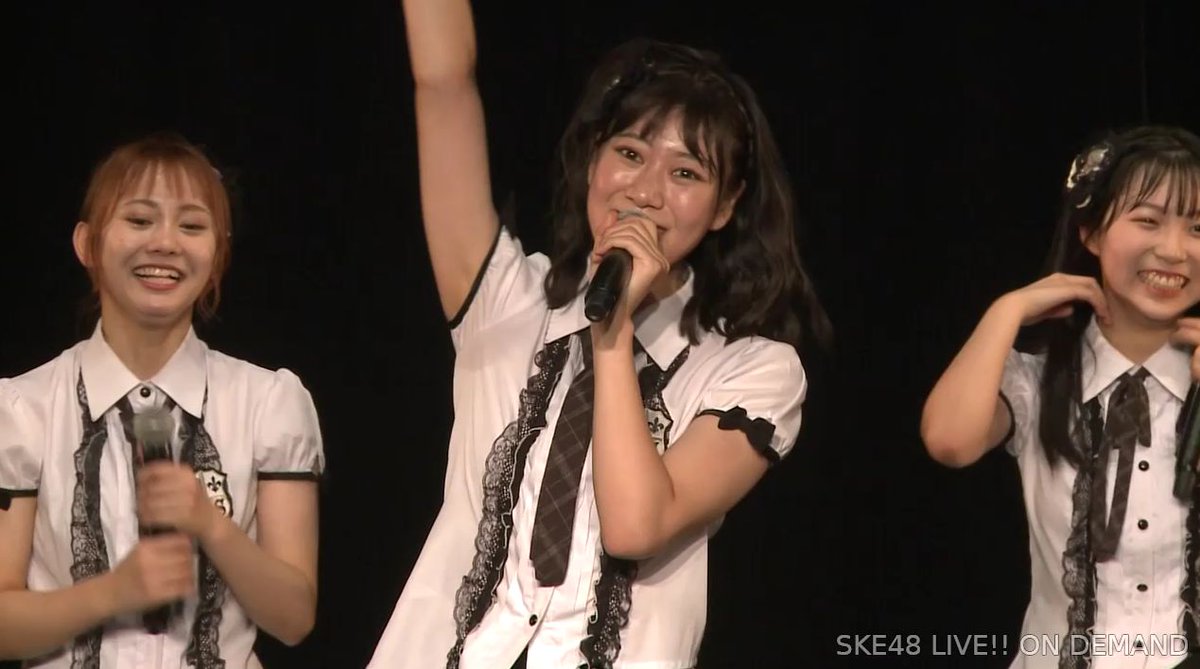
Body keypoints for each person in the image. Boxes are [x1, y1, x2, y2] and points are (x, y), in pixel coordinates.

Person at [368, 2, 829, 668]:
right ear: (592, 162)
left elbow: (636, 525)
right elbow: (443, 82)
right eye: (630, 153)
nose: (645, 191)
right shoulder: (505, 299)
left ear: (725, 206)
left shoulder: (753, 370)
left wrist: (611, 333)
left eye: (686, 173)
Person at [0, 132, 325, 668]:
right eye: (139, 220)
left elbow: (293, 619)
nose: (166, 243)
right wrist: (112, 592)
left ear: (217, 254)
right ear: (87, 244)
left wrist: (210, 524)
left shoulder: (267, 402)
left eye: (191, 226)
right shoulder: (24, 409)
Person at [921, 125, 1200, 669]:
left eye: (1197, 228)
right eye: (1147, 220)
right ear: (1090, 232)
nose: (1172, 250)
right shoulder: (1038, 379)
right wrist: (1005, 311)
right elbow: (948, 441)